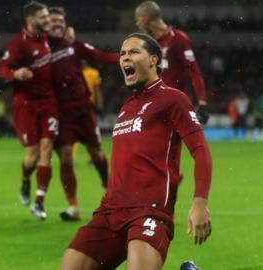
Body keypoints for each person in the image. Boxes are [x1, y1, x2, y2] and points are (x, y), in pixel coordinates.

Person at [60, 33, 212, 270]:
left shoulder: (173, 99)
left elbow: (201, 151)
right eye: (122, 54)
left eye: (133, 52)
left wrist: (200, 203)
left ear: (153, 60)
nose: (124, 58)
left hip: (148, 212)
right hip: (109, 211)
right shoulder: (127, 107)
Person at [47, 6, 119, 221]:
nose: (58, 24)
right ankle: (73, 207)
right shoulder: (40, 50)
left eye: (61, 20)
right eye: (53, 21)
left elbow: (97, 55)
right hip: (61, 113)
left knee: (96, 153)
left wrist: (123, 57)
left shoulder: (72, 45)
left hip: (83, 108)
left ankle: (111, 194)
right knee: (66, 157)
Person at [0, 1, 56, 220]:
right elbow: (2, 68)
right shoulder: (18, 44)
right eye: (43, 17)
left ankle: (39, 202)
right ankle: (25, 181)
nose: (47, 21)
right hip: (26, 105)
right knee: (32, 156)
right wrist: (16, 74)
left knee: (46, 149)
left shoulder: (47, 39)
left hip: (48, 103)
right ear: (30, 20)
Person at [135, 1, 209, 125]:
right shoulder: (149, 44)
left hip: (174, 105)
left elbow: (193, 69)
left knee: (172, 143)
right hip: (154, 104)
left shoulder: (178, 38)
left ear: (146, 18)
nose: (137, 23)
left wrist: (202, 101)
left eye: (138, 19)